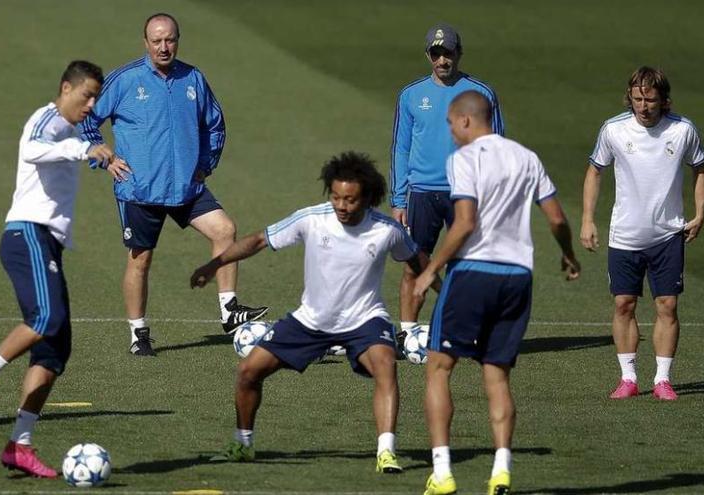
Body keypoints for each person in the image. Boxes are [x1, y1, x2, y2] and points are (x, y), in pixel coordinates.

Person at [191, 151, 423, 474]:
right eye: (336, 197)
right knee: (247, 372)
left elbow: (417, 262)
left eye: (351, 200)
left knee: (385, 365)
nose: (342, 206)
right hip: (311, 321)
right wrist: (214, 264)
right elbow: (259, 240)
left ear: (368, 198)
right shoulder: (313, 219)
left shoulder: (386, 230)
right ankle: (242, 445)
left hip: (364, 320)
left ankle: (386, 452)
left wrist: (444, 288)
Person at [414, 91, 580, 495]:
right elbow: (557, 218)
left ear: (467, 121)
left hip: (472, 272)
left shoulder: (464, 159)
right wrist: (569, 256)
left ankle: (442, 472)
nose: (452, 133)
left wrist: (431, 268)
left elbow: (465, 222)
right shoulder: (527, 157)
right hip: (518, 275)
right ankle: (501, 471)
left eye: (452, 124)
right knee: (497, 375)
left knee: (438, 367)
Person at [0, 61, 115, 477]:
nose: (91, 104)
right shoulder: (46, 121)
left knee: (54, 349)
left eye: (96, 97)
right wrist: (84, 150)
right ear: (66, 88)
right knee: (45, 318)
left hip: (49, 243)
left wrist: (104, 157)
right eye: (87, 95)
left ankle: (19, 445)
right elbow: (33, 150)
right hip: (26, 234)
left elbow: (85, 149)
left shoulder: (75, 130)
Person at [81, 12, 267, 356]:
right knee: (141, 260)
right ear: (146, 43)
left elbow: (216, 125)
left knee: (225, 230)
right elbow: (85, 118)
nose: (164, 47)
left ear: (177, 41)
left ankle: (229, 311)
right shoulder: (124, 80)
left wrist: (205, 165)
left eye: (170, 40)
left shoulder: (193, 78)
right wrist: (104, 157)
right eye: (157, 41)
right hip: (140, 189)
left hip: (186, 187)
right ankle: (139, 334)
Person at [581, 66, 704, 402]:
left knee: (667, 305)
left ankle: (663, 380)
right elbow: (595, 171)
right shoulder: (614, 130)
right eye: (637, 99)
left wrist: (700, 214)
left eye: (650, 99)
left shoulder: (682, 131)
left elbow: (699, 169)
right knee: (624, 304)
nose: (643, 106)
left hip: (668, 234)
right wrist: (587, 220)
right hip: (625, 235)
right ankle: (628, 378)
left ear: (664, 100)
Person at [390, 23, 504, 357]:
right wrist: (399, 198)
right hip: (422, 194)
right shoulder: (411, 95)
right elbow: (400, 147)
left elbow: (496, 148)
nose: (442, 59)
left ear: (459, 53)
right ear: (428, 55)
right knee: (414, 264)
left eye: (448, 52)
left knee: (468, 266)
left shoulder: (480, 93)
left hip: (465, 194)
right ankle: (407, 334)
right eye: (436, 53)